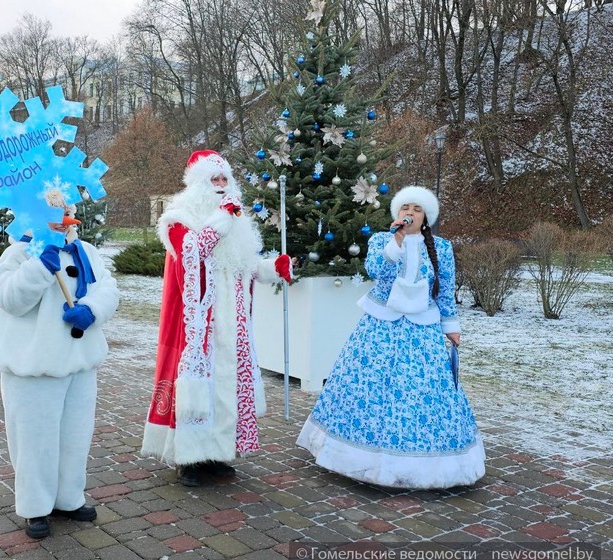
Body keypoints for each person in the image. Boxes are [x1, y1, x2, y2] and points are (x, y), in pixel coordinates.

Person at [297, 186, 484, 489]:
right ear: (397, 213)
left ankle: (424, 464)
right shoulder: (381, 240)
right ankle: (358, 458)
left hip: (422, 332)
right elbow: (375, 271)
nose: (409, 213)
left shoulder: (442, 248)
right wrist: (396, 240)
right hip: (380, 329)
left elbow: (446, 289)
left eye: (417, 209)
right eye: (405, 208)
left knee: (420, 393)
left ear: (426, 218)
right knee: (370, 387)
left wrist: (451, 325)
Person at [141, 150, 292, 487]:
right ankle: (188, 459)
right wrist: (221, 221)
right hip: (196, 323)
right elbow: (190, 254)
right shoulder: (178, 219)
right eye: (215, 180)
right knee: (197, 385)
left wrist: (272, 268)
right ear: (199, 184)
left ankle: (216, 453)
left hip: (231, 320)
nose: (222, 186)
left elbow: (244, 266)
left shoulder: (235, 222)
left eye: (225, 179)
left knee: (225, 384)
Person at [0, 198, 119, 538]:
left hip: (79, 363)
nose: (64, 221)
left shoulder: (85, 251)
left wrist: (92, 309)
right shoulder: (19, 253)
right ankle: (35, 506)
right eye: (55, 216)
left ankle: (69, 497)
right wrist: (39, 267)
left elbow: (108, 288)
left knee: (76, 436)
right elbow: (9, 299)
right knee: (35, 440)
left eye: (68, 214)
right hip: (34, 367)